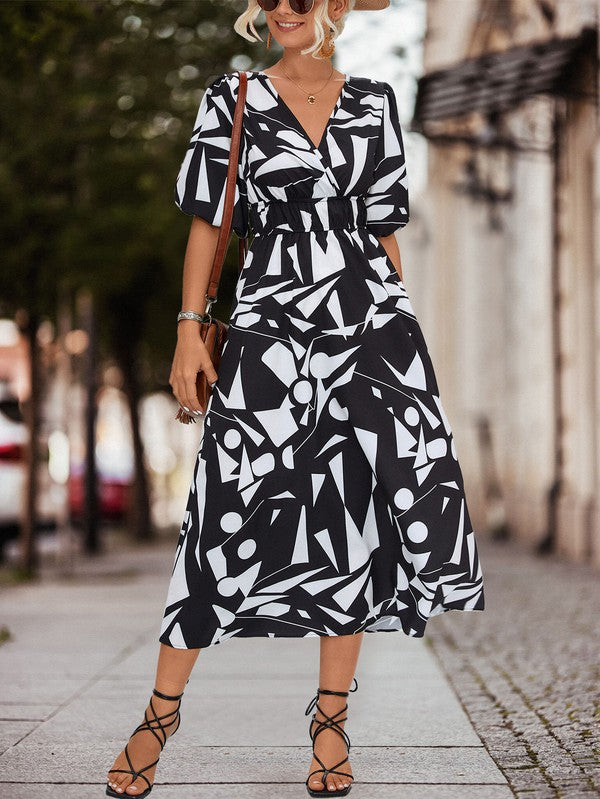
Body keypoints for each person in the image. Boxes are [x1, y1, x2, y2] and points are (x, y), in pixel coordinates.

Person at [106, 0, 486, 796]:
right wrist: (186, 330)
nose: (283, 8)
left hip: (370, 328)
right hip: (270, 327)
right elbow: (209, 222)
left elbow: (384, 231)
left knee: (354, 513)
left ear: (334, 7)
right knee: (225, 505)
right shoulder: (233, 98)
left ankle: (331, 722)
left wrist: (403, 341)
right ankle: (159, 715)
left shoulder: (376, 101)